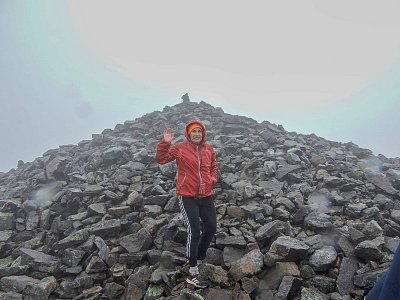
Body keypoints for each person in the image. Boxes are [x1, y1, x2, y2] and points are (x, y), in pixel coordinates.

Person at [156, 120, 218, 289]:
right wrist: (165, 143)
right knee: (194, 230)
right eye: (193, 132)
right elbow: (161, 159)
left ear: (203, 133)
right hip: (187, 195)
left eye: (199, 131)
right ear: (189, 134)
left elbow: (213, 167)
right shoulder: (180, 148)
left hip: (206, 195)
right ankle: (192, 271)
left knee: (211, 228)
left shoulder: (209, 149)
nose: (197, 134)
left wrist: (212, 180)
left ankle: (198, 257)